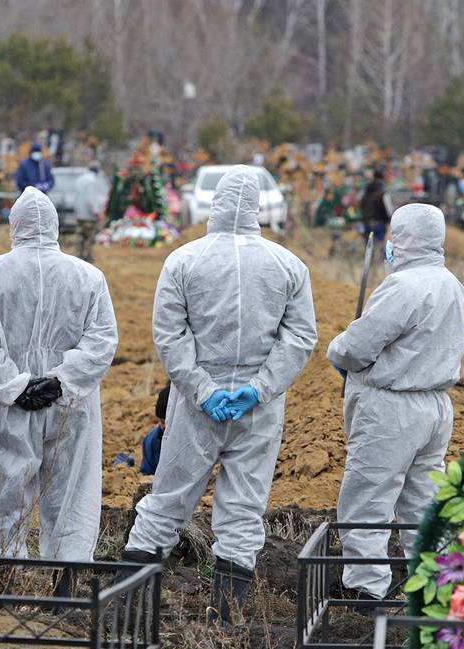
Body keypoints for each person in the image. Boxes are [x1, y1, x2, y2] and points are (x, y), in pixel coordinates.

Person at [121, 166, 318, 622]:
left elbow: (170, 334)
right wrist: (258, 389)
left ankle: (128, 607)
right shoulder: (288, 265)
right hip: (259, 409)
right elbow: (300, 338)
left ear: (216, 203)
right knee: (244, 508)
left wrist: (202, 389)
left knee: (167, 500)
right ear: (256, 208)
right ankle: (226, 614)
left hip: (195, 405)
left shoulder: (184, 260)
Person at [0, 187, 118, 591]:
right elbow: (101, 341)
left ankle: (1, 590)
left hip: (10, 406)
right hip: (71, 404)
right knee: (69, 492)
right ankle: (64, 591)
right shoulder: (88, 277)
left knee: (7, 488)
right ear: (55, 226)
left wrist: (17, 387)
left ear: (15, 226)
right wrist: (61, 382)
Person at [327, 203, 464, 604]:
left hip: (392, 408)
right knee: (422, 502)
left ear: (403, 238)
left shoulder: (403, 286)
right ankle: (433, 586)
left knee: (368, 498)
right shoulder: (452, 285)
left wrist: (337, 352)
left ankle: (365, 589)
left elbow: (358, 346)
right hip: (435, 407)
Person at [73, 161, 108, 263]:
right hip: (89, 215)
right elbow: (91, 199)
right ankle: (87, 259)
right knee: (89, 238)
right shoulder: (93, 181)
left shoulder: (80, 179)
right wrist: (96, 212)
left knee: (80, 237)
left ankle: (77, 258)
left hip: (79, 214)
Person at [359, 168, 390, 258]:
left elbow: (361, 205)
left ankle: (370, 269)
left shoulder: (366, 192)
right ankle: (379, 269)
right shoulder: (383, 193)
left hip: (366, 223)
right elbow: (389, 210)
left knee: (369, 250)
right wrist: (389, 220)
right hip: (379, 224)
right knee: (380, 248)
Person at [140, 384, 170, 476]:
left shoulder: (194, 440)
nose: (164, 427)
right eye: (161, 422)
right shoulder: (151, 441)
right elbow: (147, 474)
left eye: (168, 422)